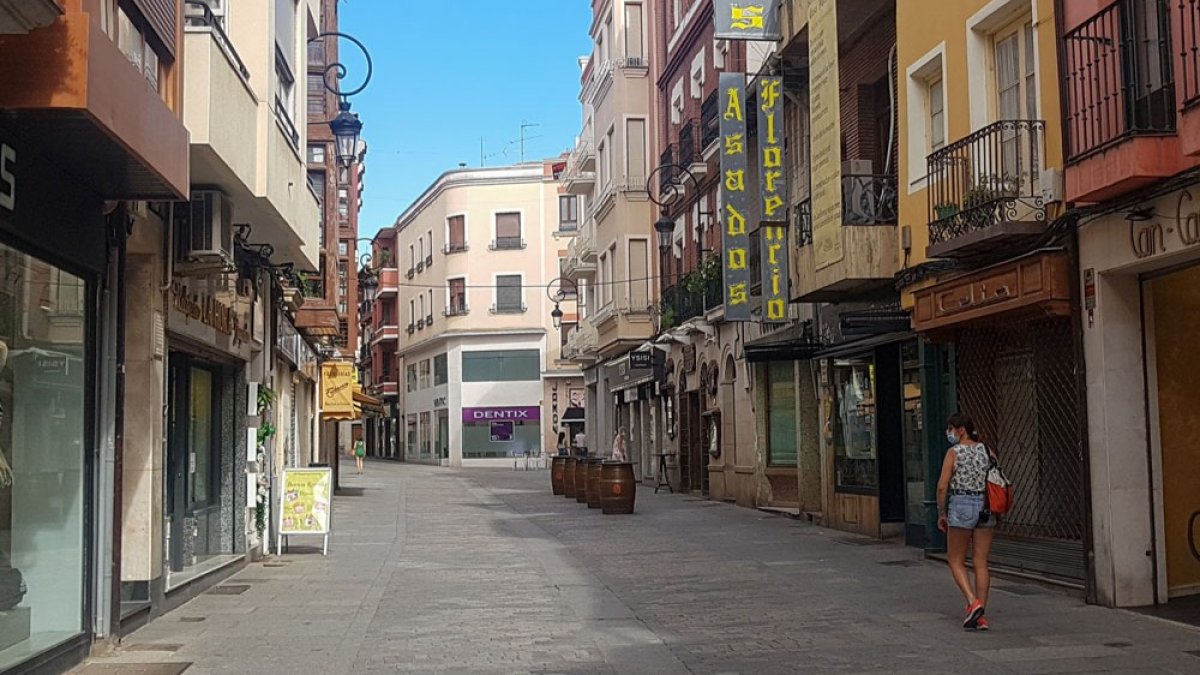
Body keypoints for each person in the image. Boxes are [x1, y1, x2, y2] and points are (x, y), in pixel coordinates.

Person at [936, 412, 996, 631]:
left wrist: (941, 512)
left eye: (951, 428)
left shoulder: (954, 452)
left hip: (961, 503)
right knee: (981, 562)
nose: (948, 433)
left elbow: (943, 486)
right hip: (986, 506)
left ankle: (973, 602)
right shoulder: (987, 450)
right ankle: (981, 616)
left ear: (961, 430)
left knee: (955, 559)